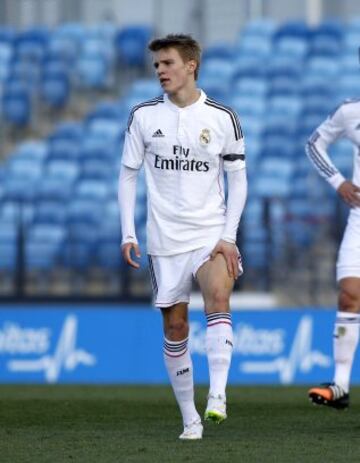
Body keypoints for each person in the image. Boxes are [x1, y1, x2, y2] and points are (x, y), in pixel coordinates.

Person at [118, 34, 247, 439]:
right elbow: (128, 175)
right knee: (176, 329)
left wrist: (228, 236)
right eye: (157, 65)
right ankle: (190, 417)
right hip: (165, 240)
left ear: (190, 65)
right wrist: (128, 232)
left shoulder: (223, 117)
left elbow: (238, 181)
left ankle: (219, 396)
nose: (160, 71)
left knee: (219, 298)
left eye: (168, 63)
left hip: (210, 233)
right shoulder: (142, 116)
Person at [306, 98, 360, 409]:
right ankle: (340, 384)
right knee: (348, 295)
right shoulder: (349, 111)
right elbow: (314, 145)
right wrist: (338, 182)